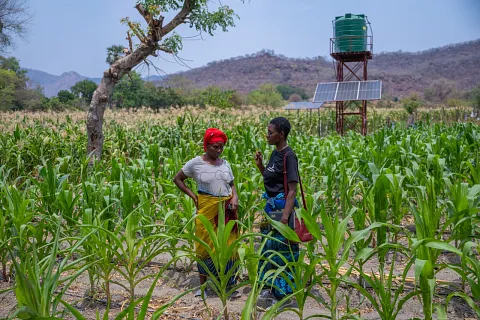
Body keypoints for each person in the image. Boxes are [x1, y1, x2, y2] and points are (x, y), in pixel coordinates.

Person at [173, 128, 240, 299]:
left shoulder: (225, 164)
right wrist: (193, 196)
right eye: (215, 147)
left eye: (221, 147)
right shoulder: (195, 163)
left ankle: (228, 285)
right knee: (204, 245)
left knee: (228, 245)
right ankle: (203, 286)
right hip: (206, 207)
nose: (219, 151)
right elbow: (178, 179)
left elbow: (232, 184)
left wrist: (235, 198)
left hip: (226, 209)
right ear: (206, 146)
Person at [254, 117, 299, 305]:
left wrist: (285, 218)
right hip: (271, 208)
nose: (267, 135)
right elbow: (270, 179)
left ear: (281, 135)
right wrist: (260, 166)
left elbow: (292, 191)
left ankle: (285, 295)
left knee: (284, 252)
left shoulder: (289, 156)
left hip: (282, 210)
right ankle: (270, 290)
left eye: (271, 133)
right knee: (268, 249)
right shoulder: (275, 154)